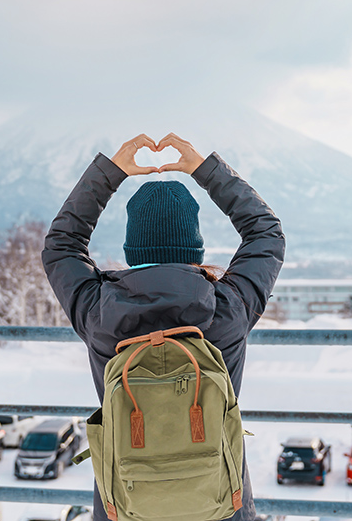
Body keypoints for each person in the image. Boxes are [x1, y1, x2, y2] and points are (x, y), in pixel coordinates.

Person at [42, 132, 285, 521]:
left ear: (130, 249)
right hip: (220, 501)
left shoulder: (99, 311)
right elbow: (266, 233)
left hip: (125, 502)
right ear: (196, 248)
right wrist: (205, 170)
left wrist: (111, 171)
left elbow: (61, 245)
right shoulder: (228, 308)